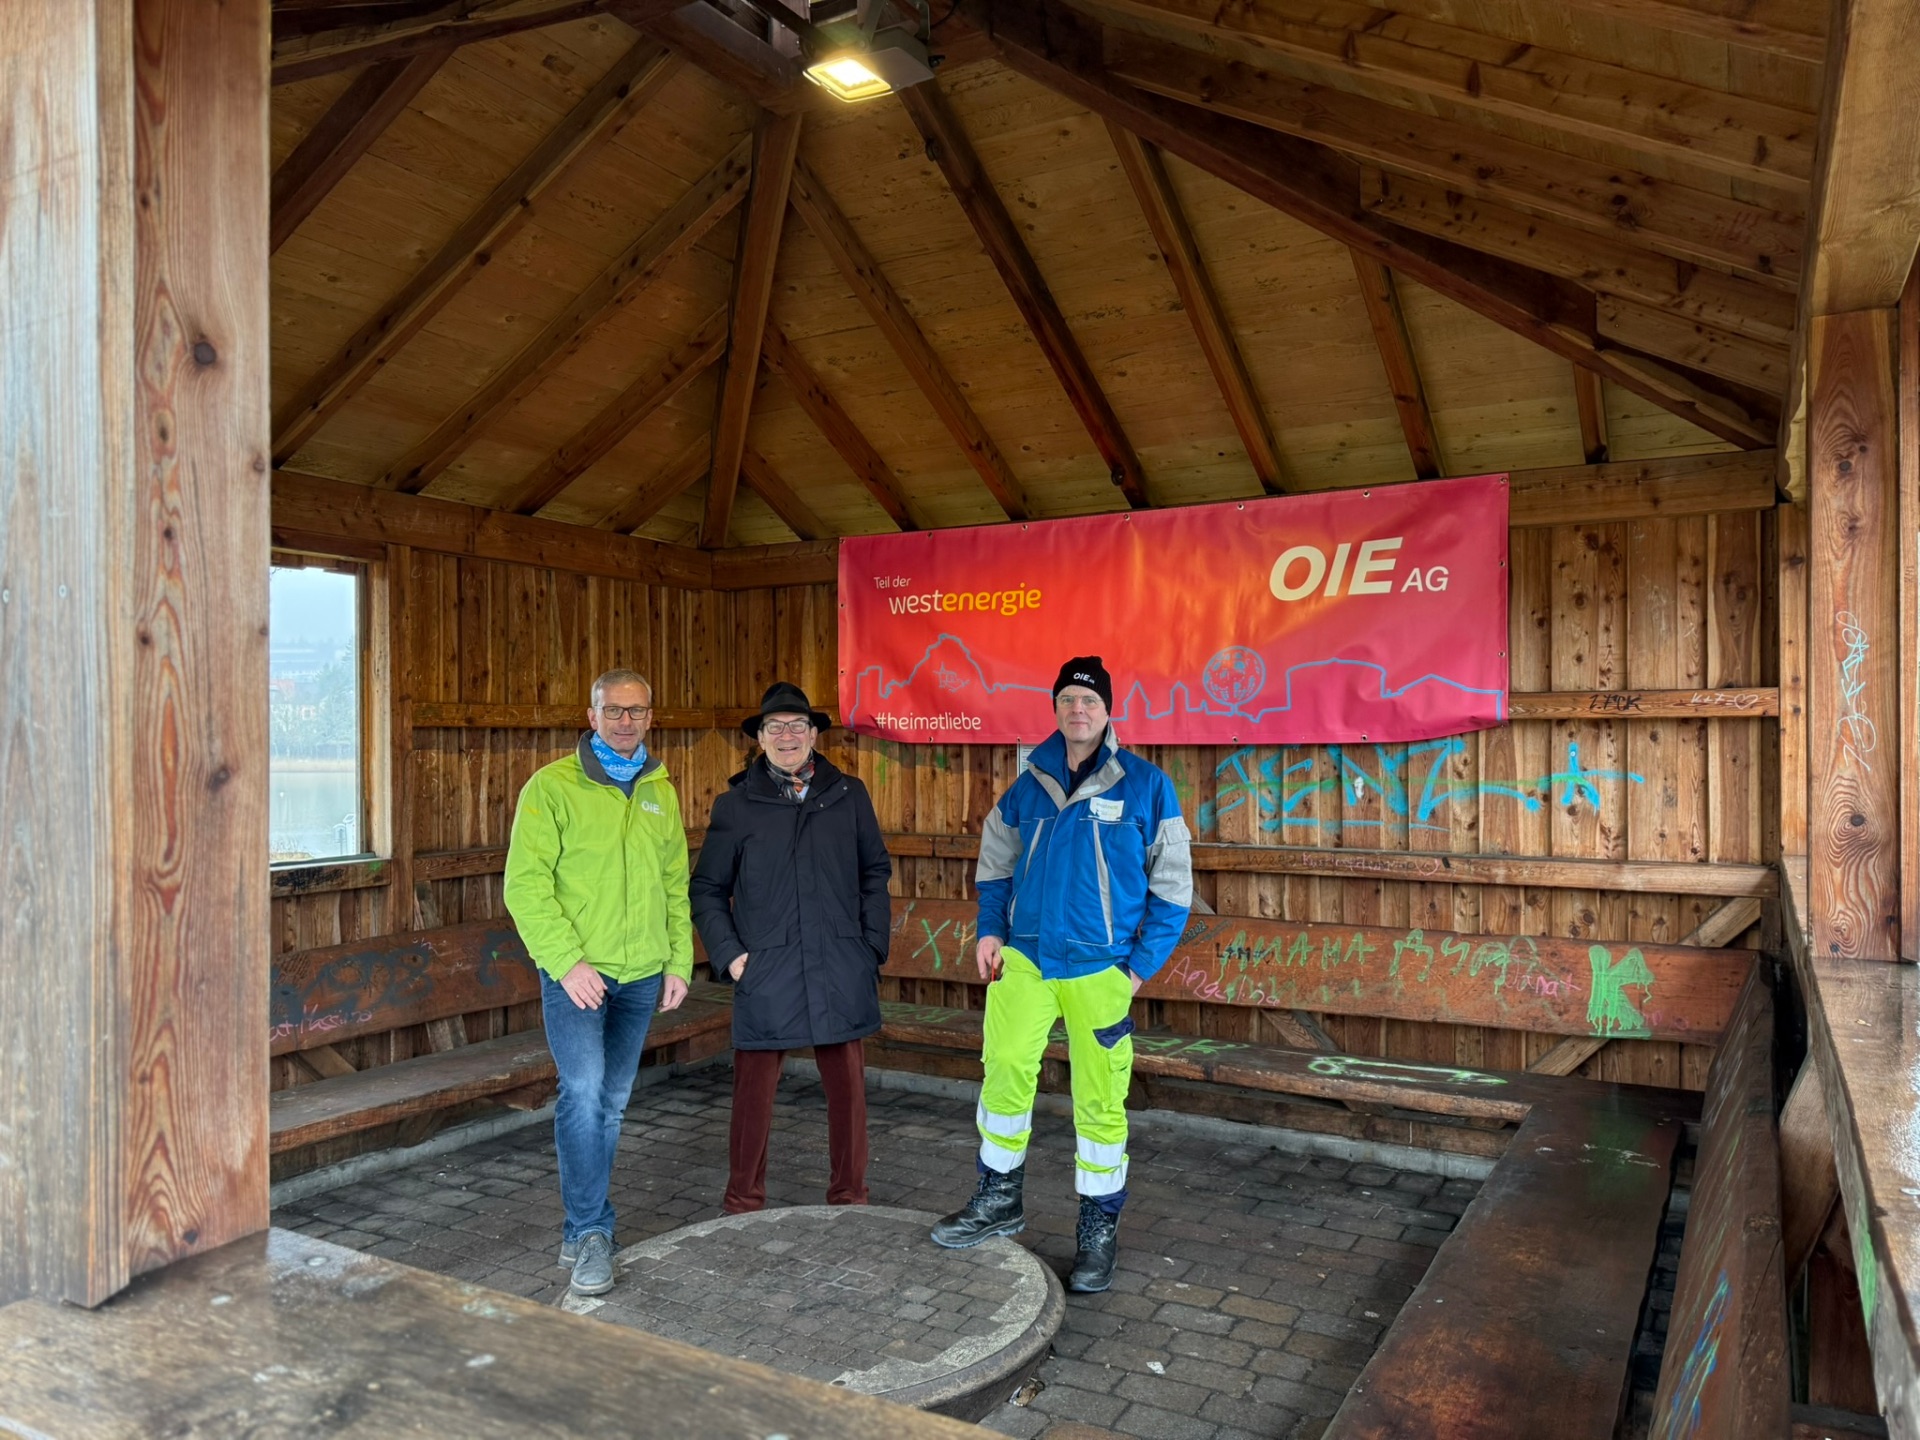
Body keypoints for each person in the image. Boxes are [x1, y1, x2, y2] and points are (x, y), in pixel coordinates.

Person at [930, 656, 1193, 1293]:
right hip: (1025, 960)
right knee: (1004, 1074)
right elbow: (994, 864)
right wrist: (989, 929)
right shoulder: (1028, 784)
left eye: (1090, 701)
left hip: (1102, 968)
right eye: (1069, 699)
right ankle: (998, 1201)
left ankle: (1097, 1234)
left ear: (1108, 711)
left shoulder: (1147, 785)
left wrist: (1137, 969)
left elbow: (1174, 888)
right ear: (1056, 708)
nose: (1079, 710)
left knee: (1101, 1103)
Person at [503, 668, 693, 1298]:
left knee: (611, 1104)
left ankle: (583, 1224)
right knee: (582, 1093)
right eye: (614, 710)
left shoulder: (659, 790)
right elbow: (525, 886)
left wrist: (677, 961)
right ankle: (590, 1230)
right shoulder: (551, 788)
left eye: (637, 711)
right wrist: (567, 963)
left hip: (642, 974)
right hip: (578, 976)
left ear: (650, 716)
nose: (625, 721)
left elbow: (674, 883)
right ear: (592, 715)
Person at [691, 682, 893, 1215]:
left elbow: (875, 872)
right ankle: (743, 1201)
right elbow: (707, 888)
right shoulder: (737, 805)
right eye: (775, 727)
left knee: (848, 1094)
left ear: (813, 735)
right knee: (753, 1097)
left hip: (839, 963)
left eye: (797, 726)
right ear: (759, 738)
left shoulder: (849, 795)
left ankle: (850, 1197)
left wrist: (870, 946)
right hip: (767, 966)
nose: (787, 736)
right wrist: (730, 953)